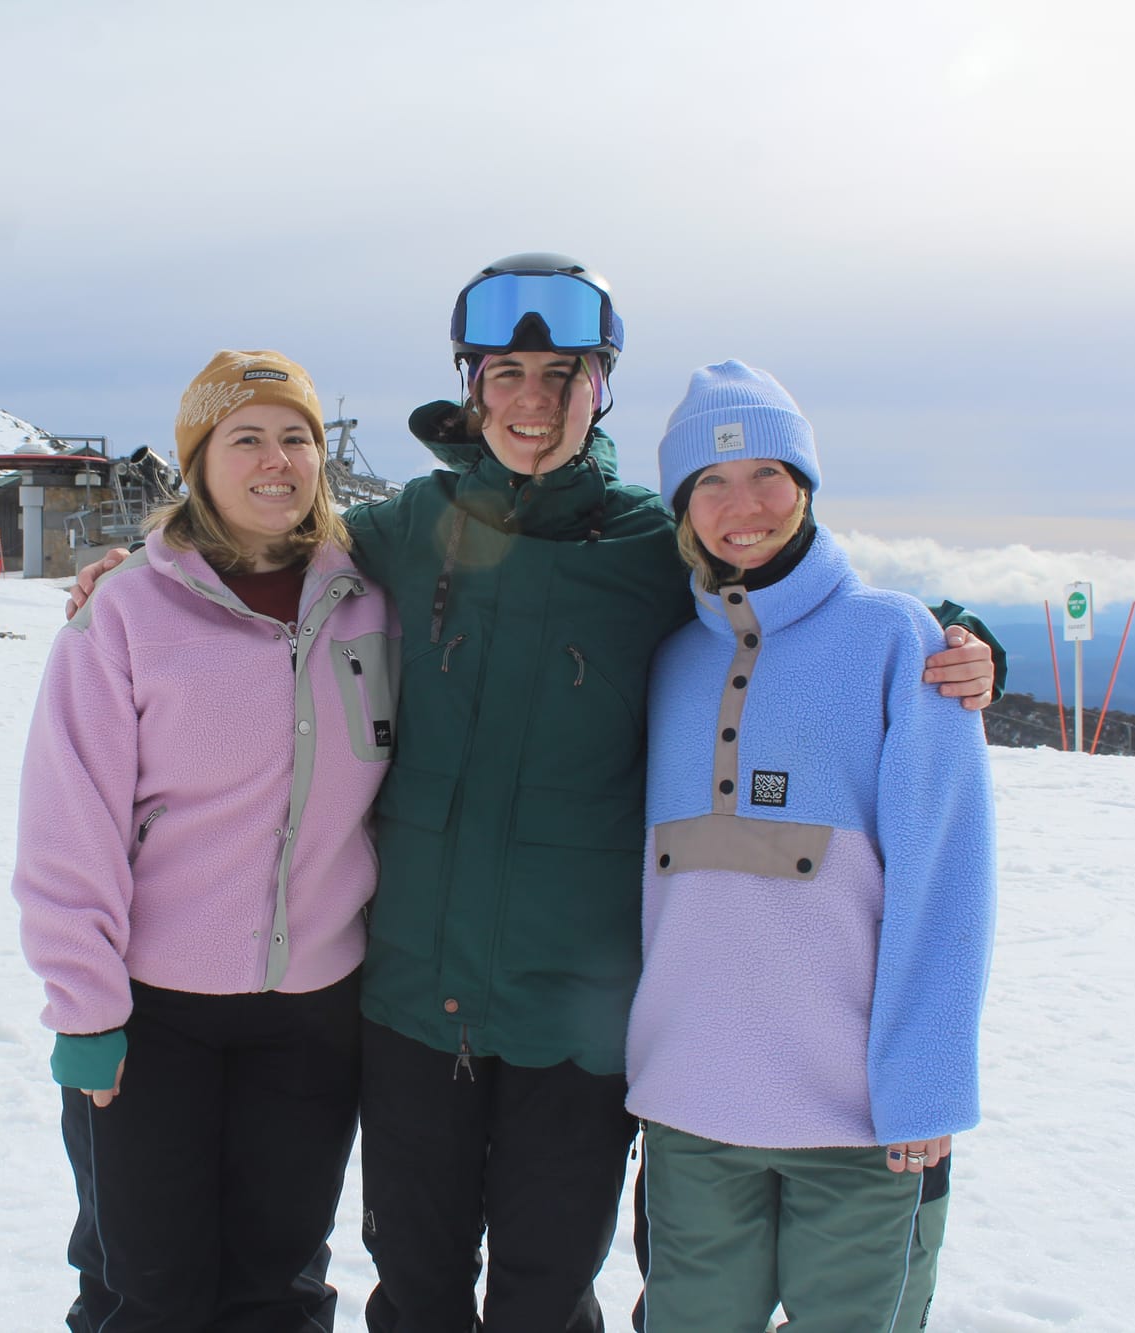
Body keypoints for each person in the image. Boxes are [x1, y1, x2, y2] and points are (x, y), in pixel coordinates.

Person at [67, 256, 999, 1331]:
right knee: (414, 1289)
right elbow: (257, 547)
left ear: (600, 386)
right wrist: (143, 560)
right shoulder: (405, 530)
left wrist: (958, 634)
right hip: (414, 997)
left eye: (561, 374)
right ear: (470, 385)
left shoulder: (650, 544)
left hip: (578, 1014)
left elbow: (783, 592)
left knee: (542, 1296)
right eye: (504, 372)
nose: (530, 401)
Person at [14, 350, 397, 1332]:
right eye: (245, 438)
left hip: (314, 1013)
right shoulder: (127, 613)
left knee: (280, 1288)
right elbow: (70, 825)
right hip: (150, 1018)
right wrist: (85, 1011)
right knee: (149, 1291)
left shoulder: (369, 603)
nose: (276, 460)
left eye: (295, 437)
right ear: (198, 459)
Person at [624, 362, 995, 1332]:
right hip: (688, 1106)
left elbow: (946, 880)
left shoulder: (894, 641)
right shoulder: (663, 658)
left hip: (856, 1119)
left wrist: (926, 1084)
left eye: (767, 475)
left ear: (806, 488)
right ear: (680, 503)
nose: (740, 505)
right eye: (709, 481)